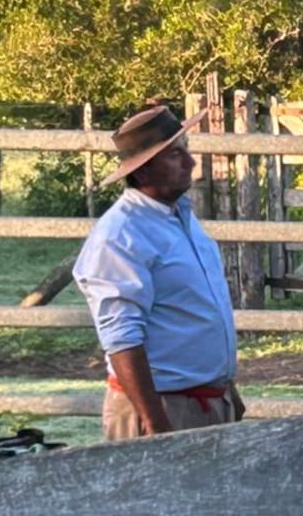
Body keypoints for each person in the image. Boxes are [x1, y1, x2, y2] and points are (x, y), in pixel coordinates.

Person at [74, 105, 242, 440]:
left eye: (186, 152)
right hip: (162, 410)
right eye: (174, 156)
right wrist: (155, 424)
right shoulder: (122, 235)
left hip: (201, 403)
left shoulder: (177, 217)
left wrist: (225, 393)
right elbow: (122, 338)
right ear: (144, 171)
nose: (190, 163)